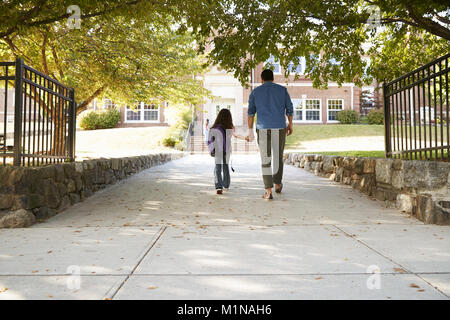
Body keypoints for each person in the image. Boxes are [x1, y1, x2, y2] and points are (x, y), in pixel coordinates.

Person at [246, 69, 294, 200]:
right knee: (278, 157)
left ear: (262, 79)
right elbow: (289, 109)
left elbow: (250, 114)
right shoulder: (282, 90)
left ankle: (268, 191)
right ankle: (277, 184)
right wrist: (290, 124)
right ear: (273, 78)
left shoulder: (255, 92)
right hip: (279, 127)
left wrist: (250, 131)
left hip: (262, 129)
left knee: (265, 159)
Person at [208, 109, 245, 195]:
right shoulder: (230, 126)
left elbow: (210, 140)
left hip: (217, 150)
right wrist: (245, 138)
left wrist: (211, 149)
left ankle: (218, 187)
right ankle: (226, 185)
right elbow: (235, 135)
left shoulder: (215, 127)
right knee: (225, 167)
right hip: (227, 150)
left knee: (217, 168)